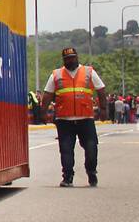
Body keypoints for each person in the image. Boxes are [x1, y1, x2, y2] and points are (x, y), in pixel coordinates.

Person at [40, 47, 109, 188]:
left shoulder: (89, 72)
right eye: (67, 58)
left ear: (77, 57)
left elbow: (101, 90)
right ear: (63, 60)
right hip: (64, 120)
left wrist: (103, 109)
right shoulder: (56, 74)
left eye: (72, 57)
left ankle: (91, 171)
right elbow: (47, 94)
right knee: (66, 150)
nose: (70, 60)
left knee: (91, 148)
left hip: (86, 118)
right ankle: (67, 177)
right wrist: (43, 112)